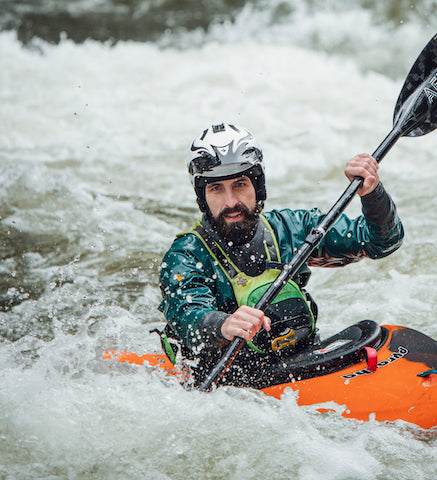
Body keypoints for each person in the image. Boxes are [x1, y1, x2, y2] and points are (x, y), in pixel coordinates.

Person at [157, 123, 404, 386]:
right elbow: (187, 315)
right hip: (227, 385)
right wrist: (223, 324)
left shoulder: (293, 229)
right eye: (216, 189)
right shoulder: (185, 255)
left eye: (240, 184)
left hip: (301, 367)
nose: (230, 202)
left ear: (258, 185)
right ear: (202, 196)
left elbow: (382, 242)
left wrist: (372, 194)